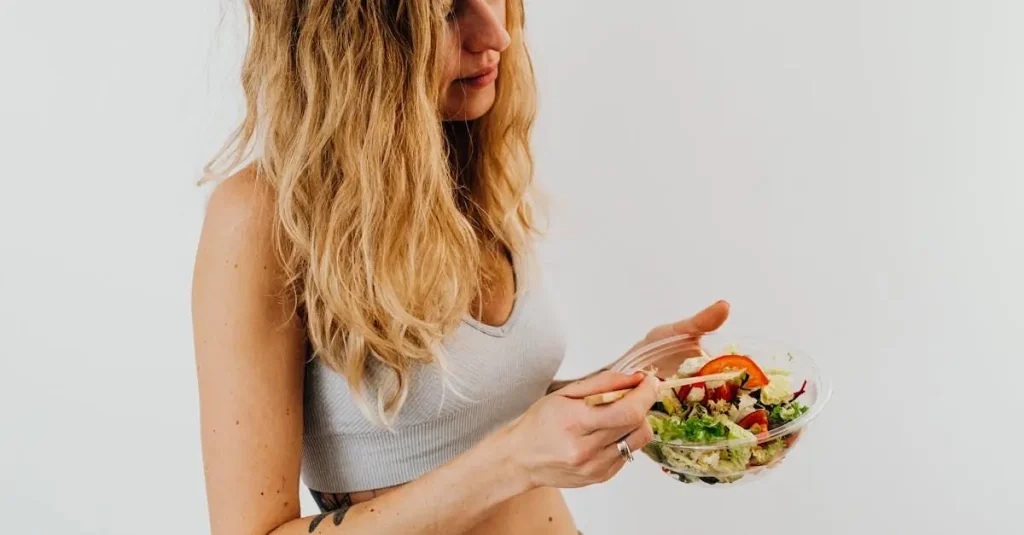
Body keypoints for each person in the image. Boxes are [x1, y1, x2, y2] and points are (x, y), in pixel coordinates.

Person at [192, 1, 731, 533]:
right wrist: (514, 461)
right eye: (448, 11)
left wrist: (634, 376)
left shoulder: (466, 164)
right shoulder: (264, 217)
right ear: (350, 38)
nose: (497, 35)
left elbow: (467, 421)